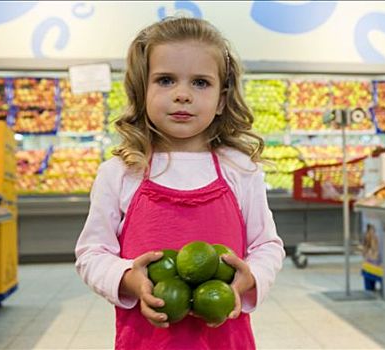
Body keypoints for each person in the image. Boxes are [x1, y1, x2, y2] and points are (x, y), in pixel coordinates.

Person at [75, 17, 285, 350]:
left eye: (200, 83)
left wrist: (251, 277)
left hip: (225, 340)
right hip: (145, 341)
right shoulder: (120, 172)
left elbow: (267, 246)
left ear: (221, 99)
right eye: (166, 80)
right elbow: (91, 253)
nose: (183, 95)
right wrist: (127, 278)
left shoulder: (240, 169)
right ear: (142, 90)